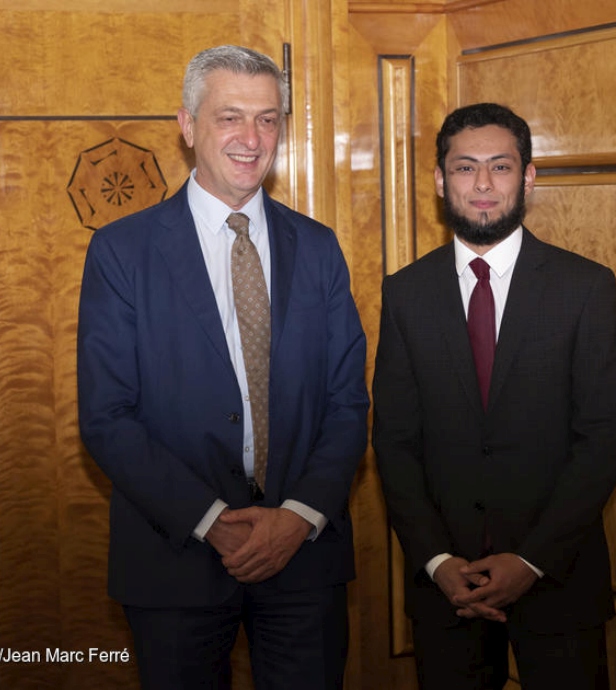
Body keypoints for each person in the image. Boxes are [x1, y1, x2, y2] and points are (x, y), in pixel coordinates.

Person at [77, 45, 368, 690]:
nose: (251, 138)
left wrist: (298, 516)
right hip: (175, 554)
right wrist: (212, 522)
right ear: (187, 126)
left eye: (268, 119)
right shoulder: (122, 252)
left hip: (304, 556)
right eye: (230, 117)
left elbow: (347, 402)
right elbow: (107, 417)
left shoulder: (318, 247)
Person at [372, 102, 616, 689]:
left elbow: (603, 439)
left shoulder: (584, 287)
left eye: (501, 167)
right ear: (440, 181)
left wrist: (531, 560)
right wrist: (438, 563)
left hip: (559, 580)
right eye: (465, 168)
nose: (483, 184)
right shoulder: (405, 293)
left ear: (528, 177)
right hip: (447, 591)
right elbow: (395, 443)